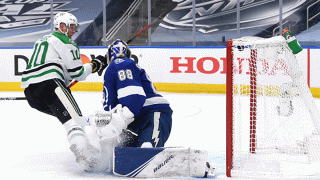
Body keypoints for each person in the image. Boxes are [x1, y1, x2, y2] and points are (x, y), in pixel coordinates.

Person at [21, 12, 102, 171]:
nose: (74, 31)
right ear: (62, 26)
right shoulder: (65, 41)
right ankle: (83, 153)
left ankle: (84, 147)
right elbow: (77, 73)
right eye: (71, 27)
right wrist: (95, 64)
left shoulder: (42, 40)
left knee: (69, 119)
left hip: (31, 93)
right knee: (74, 120)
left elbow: (54, 66)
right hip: (51, 85)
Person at [93, 39, 173, 148]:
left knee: (146, 150)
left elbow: (134, 97)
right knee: (127, 154)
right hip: (136, 119)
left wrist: (123, 117)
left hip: (150, 113)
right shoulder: (114, 70)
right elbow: (112, 105)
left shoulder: (120, 64)